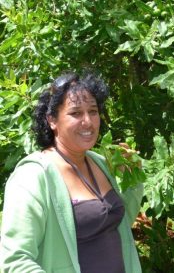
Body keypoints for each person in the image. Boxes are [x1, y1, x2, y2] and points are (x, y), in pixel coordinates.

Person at [0, 72, 143, 273]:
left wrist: (133, 177)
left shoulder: (100, 163)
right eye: (76, 113)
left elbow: (120, 225)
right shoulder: (32, 177)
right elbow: (15, 261)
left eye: (93, 111)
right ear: (52, 120)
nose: (88, 121)